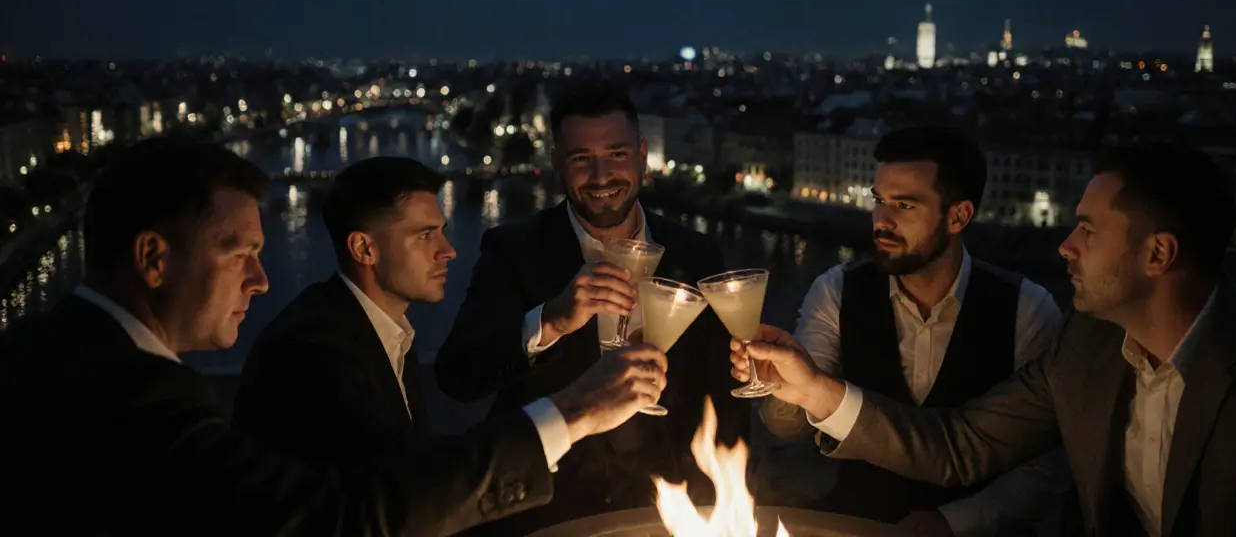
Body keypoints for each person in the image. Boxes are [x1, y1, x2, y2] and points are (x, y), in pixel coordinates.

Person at [0, 136, 668, 537]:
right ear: (153, 259)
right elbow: (352, 516)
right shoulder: (140, 395)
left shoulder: (54, 352)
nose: (261, 281)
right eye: (239, 254)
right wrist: (574, 411)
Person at [733, 143, 1236, 537]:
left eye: (1088, 230)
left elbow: (1038, 473)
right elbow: (961, 445)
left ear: (1158, 254)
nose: (1065, 247)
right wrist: (813, 390)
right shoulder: (1085, 345)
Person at [435, 79, 750, 535]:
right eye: (582, 159)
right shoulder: (513, 250)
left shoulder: (697, 254)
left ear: (642, 155)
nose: (602, 177)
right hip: (546, 515)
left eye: (617, 154)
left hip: (668, 512)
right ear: (557, 164)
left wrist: (724, 502)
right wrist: (551, 320)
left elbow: (723, 393)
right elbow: (457, 374)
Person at [760, 125, 1069, 535]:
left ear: (959, 215)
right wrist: (776, 387)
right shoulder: (836, 290)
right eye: (879, 201)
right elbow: (787, 427)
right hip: (854, 525)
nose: (881, 221)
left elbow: (1044, 467)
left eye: (904, 206)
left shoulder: (1028, 309)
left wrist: (953, 523)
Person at [234, 157, 455, 466]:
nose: (448, 250)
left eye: (442, 231)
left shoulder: (384, 333)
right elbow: (396, 476)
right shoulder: (312, 352)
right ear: (364, 249)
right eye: (425, 235)